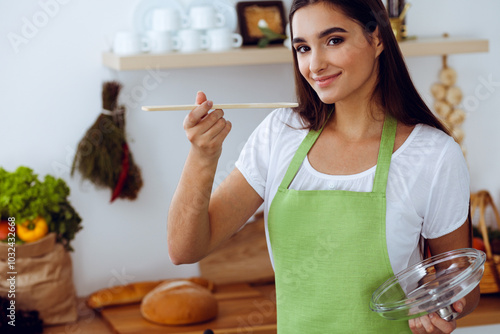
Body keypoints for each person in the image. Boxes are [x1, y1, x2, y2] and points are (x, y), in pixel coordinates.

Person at [167, 0, 479, 332]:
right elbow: (185, 248)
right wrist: (202, 156)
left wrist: (441, 306)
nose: (315, 64)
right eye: (302, 48)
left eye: (333, 40)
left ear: (377, 39)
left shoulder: (432, 154)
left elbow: (463, 284)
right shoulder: (280, 134)